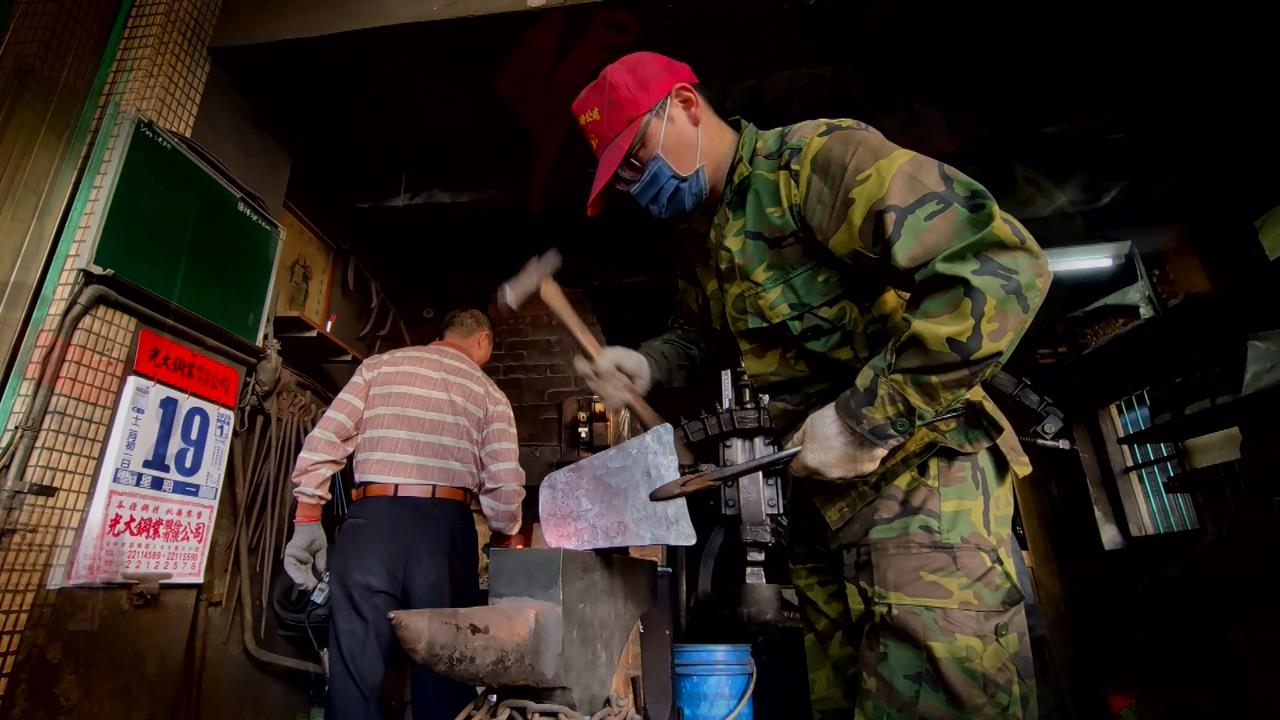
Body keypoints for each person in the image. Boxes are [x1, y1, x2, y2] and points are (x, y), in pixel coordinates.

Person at [569, 52, 1051, 719]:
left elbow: (1000, 271)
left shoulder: (818, 163)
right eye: (620, 176)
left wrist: (864, 418)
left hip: (923, 483)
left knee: (942, 702)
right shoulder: (703, 233)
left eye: (635, 156)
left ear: (684, 105)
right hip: (824, 506)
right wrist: (648, 363)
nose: (634, 182)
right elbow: (702, 333)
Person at [283, 309, 525, 720]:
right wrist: (505, 537)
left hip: (371, 524)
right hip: (443, 532)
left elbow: (324, 442)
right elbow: (503, 490)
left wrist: (307, 518)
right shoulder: (488, 393)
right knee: (446, 668)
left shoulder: (378, 368)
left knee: (355, 670)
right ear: (482, 341)